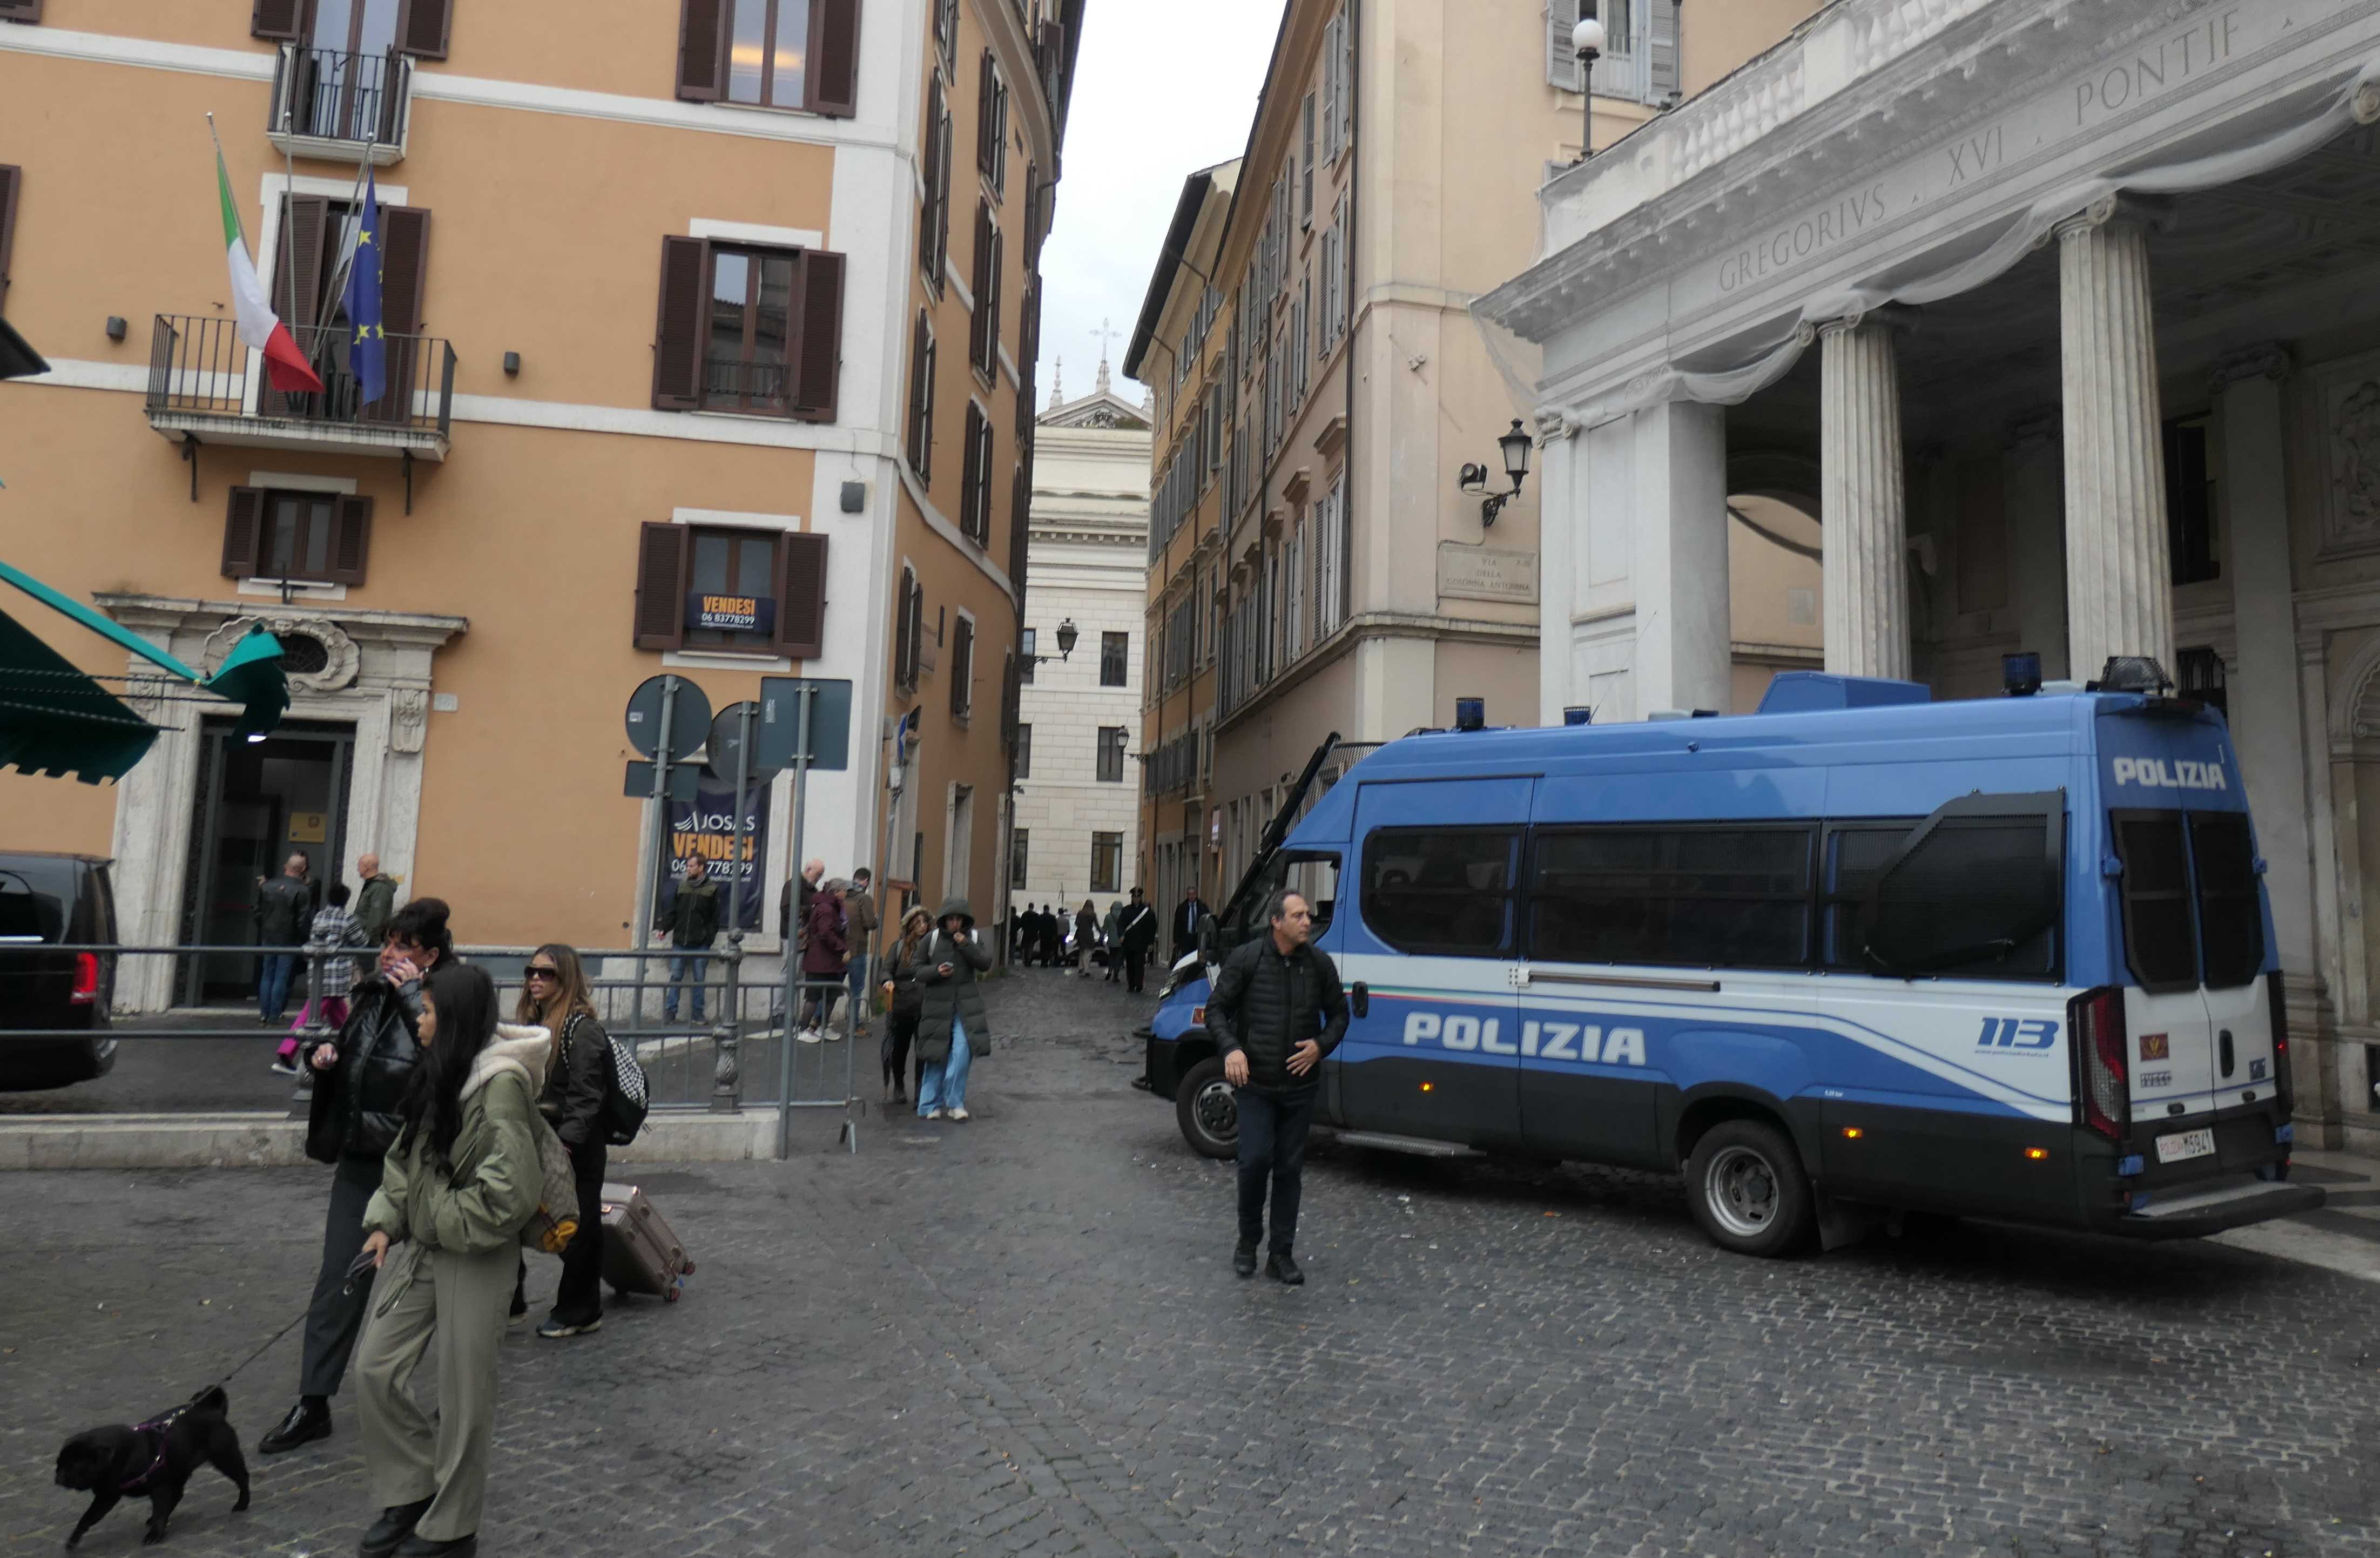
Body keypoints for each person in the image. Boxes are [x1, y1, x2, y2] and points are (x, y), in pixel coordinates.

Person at [350, 961, 548, 1558]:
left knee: (464, 1396)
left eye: (430, 1009)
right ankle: (411, 1490)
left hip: (478, 1254)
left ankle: (453, 1529)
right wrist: (385, 1222)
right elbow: (405, 1157)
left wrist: (432, 1213)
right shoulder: (440, 1070)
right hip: (430, 1244)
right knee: (375, 1366)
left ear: (456, 1018)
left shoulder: (501, 1086)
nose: (420, 1018)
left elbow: (509, 1195)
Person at [259, 898, 450, 1457]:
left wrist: (412, 995)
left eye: (402, 946)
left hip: (423, 1166)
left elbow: (446, 1066)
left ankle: (455, 1394)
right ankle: (313, 1400)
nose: (388, 953)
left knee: (445, 1284)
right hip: (364, 1162)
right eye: (386, 942)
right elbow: (353, 1056)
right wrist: (325, 1059)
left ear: (430, 955)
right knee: (339, 1277)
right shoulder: (370, 994)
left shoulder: (449, 998)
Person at [1208, 889, 1348, 1286]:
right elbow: (1216, 1010)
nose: (1307, 922)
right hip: (1256, 1084)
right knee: (1253, 1162)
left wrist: (1320, 1045)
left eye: (1307, 915)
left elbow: (1340, 1014)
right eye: (1298, 915)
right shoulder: (1247, 959)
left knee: (1289, 1170)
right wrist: (1232, 1048)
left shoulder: (1319, 964)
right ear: (1276, 921)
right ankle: (1247, 1242)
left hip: (1300, 1087)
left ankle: (1281, 1254)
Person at [511, 944, 609, 1339]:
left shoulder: (583, 1030)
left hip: (575, 1144)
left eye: (546, 973)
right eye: (531, 971)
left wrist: (566, 1147)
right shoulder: (533, 1023)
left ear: (565, 979)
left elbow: (587, 1096)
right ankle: (510, 1300)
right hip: (537, 1136)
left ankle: (581, 1310)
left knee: (579, 1227)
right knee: (510, 1214)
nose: (535, 979)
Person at [274, 882, 374, 1075]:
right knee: (308, 1017)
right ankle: (285, 1054)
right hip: (336, 977)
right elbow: (362, 942)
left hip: (318, 972)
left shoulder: (319, 916)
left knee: (343, 1019)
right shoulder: (347, 919)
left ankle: (357, 1052)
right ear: (346, 900)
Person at [916, 898, 990, 1122]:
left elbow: (985, 963)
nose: (955, 923)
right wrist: (936, 971)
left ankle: (955, 1102)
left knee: (962, 1051)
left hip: (965, 1006)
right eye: (951, 919)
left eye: (959, 919)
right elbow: (916, 970)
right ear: (944, 920)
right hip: (937, 1005)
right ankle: (929, 1105)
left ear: (965, 921)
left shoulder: (973, 938)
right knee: (935, 1054)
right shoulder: (931, 939)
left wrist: (966, 945)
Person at [880, 907, 933, 1105]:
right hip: (902, 1005)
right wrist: (887, 981)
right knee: (900, 1049)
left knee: (923, 1050)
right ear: (910, 926)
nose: (923, 926)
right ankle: (899, 1085)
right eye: (918, 923)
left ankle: (920, 1088)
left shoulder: (933, 946)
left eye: (925, 922)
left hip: (925, 1005)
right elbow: (886, 970)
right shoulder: (899, 947)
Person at [658, 855, 720, 1024]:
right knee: (676, 977)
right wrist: (665, 929)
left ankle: (698, 1014)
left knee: (699, 980)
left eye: (692, 866)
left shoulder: (712, 889)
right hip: (680, 941)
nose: (688, 869)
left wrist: (708, 940)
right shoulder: (682, 886)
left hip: (700, 943)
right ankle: (671, 1012)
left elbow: (715, 919)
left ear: (701, 868)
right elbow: (673, 911)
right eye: (688, 866)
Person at [254, 853, 313, 1026]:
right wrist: (305, 938)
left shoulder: (267, 886)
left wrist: (265, 927)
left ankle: (264, 1013)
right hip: (289, 939)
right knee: (281, 977)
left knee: (267, 974)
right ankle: (275, 1014)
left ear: (286, 867)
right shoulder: (303, 890)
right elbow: (303, 919)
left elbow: (257, 912)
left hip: (269, 936)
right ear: (303, 869)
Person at [797, 876, 849, 1043]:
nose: (846, 893)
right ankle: (803, 1030)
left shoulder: (831, 906)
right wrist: (843, 948)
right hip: (820, 960)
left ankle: (822, 1027)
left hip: (830, 961)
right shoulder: (827, 908)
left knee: (832, 995)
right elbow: (826, 933)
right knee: (813, 997)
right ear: (836, 892)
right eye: (844, 890)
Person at [774, 858, 824, 1023]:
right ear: (808, 870)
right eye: (818, 874)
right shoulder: (793, 885)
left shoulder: (810, 888)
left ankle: (787, 1012)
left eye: (821, 875)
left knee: (796, 975)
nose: (819, 878)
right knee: (789, 973)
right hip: (793, 935)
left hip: (803, 937)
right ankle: (778, 1013)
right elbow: (787, 910)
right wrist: (811, 910)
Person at [843, 867, 879, 1038]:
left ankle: (817, 1022)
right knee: (856, 989)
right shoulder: (864, 898)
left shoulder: (842, 895)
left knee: (832, 987)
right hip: (858, 949)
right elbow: (870, 923)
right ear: (866, 881)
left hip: (840, 949)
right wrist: (876, 919)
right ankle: (855, 1026)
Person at [1117, 887, 1159, 994]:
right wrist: (1121, 935)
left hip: (1141, 943)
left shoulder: (1147, 912)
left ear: (1141, 898)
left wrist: (1151, 943)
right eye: (1134, 897)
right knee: (1130, 965)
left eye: (1138, 897)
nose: (1136, 899)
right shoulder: (1126, 910)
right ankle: (1131, 985)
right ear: (1132, 898)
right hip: (1129, 942)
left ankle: (1139, 984)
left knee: (1139, 965)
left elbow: (1152, 928)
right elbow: (1120, 924)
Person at [354, 853, 399, 947]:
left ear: (367, 867)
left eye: (359, 866)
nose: (357, 869)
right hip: (363, 940)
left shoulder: (380, 888)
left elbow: (377, 918)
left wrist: (367, 942)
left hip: (370, 944)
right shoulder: (372, 885)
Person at [1172, 886, 1208, 965]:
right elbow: (1177, 925)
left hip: (1198, 938)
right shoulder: (1182, 908)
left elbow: (1206, 921)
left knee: (1197, 959)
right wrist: (1176, 941)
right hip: (1186, 938)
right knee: (1186, 959)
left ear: (1196, 894)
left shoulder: (1202, 907)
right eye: (1190, 894)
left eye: (1193, 894)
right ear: (1187, 895)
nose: (1192, 896)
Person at [1102, 899, 1125, 983]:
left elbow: (1104, 928)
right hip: (1121, 941)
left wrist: (1101, 937)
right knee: (1119, 958)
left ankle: (1110, 970)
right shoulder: (1123, 917)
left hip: (1111, 941)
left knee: (1111, 957)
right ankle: (1116, 974)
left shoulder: (1108, 917)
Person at [1074, 900, 1097, 979]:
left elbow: (1076, 923)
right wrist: (1101, 932)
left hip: (1081, 934)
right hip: (1089, 934)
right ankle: (1086, 970)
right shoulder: (1093, 914)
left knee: (1082, 951)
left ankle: (1081, 967)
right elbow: (1096, 925)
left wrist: (1081, 926)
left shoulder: (1080, 913)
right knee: (1088, 953)